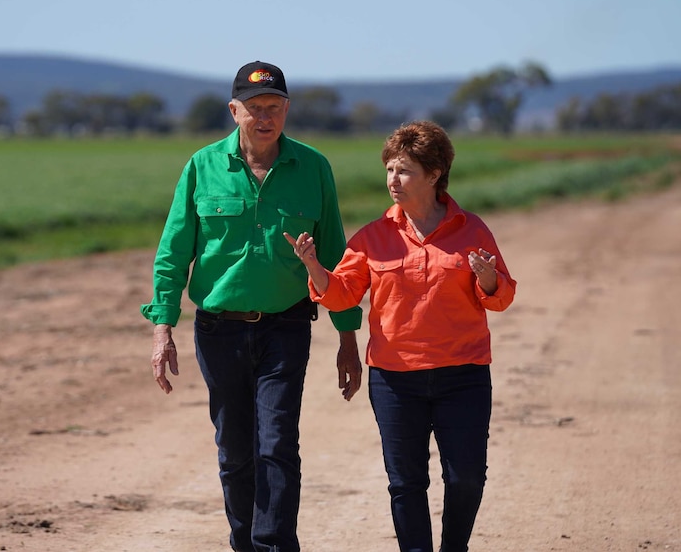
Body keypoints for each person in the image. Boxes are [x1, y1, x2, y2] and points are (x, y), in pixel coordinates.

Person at [141, 60, 363, 552]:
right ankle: (245, 544)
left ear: (287, 110)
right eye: (255, 107)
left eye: (275, 107)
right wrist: (162, 327)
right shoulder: (202, 167)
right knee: (236, 450)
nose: (265, 117)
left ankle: (274, 546)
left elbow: (336, 259)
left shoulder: (313, 168)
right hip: (218, 331)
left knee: (278, 444)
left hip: (286, 327)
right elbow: (174, 252)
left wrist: (348, 338)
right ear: (234, 110)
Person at [284, 120, 516, 552]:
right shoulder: (373, 237)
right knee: (405, 482)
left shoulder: (473, 230)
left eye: (404, 170)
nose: (393, 179)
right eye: (390, 169)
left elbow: (501, 298)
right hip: (394, 379)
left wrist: (486, 279)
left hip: (463, 373)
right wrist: (314, 266)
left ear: (434, 174)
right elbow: (343, 295)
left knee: (466, 476)